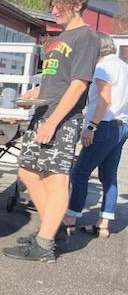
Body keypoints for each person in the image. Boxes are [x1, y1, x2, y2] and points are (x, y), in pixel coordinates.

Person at [3, 0, 99, 262]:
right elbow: (55, 80)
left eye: (60, 5)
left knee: (56, 179)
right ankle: (51, 231)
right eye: (53, 5)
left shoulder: (86, 37)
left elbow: (78, 85)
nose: (54, 10)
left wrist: (53, 122)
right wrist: (34, 94)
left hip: (62, 120)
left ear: (77, 5)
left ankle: (44, 244)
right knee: (28, 172)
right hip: (43, 114)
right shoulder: (61, 38)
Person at [62, 33, 128, 238]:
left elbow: (104, 99)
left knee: (79, 173)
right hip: (122, 125)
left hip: (103, 126)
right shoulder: (124, 66)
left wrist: (91, 126)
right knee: (108, 175)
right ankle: (104, 224)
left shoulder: (102, 68)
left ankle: (70, 218)